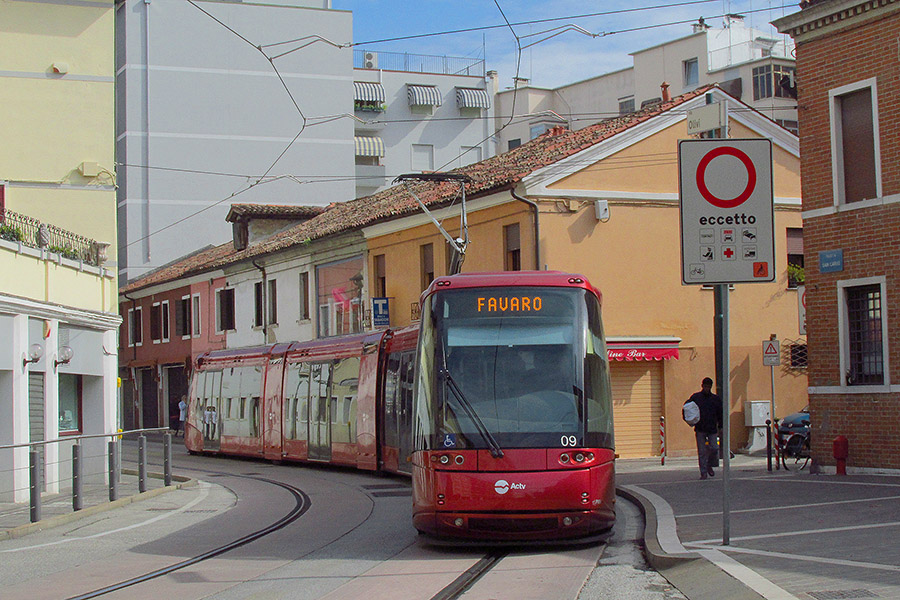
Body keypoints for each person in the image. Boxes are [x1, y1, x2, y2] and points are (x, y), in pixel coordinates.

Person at [685, 377, 723, 480]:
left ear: (711, 387)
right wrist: (689, 420)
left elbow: (720, 414)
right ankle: (703, 472)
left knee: (715, 448)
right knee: (701, 451)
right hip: (700, 428)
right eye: (705, 386)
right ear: (702, 386)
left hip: (712, 428)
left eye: (708, 387)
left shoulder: (715, 399)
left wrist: (721, 427)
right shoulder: (696, 397)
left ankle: (709, 464)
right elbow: (686, 408)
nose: (706, 388)